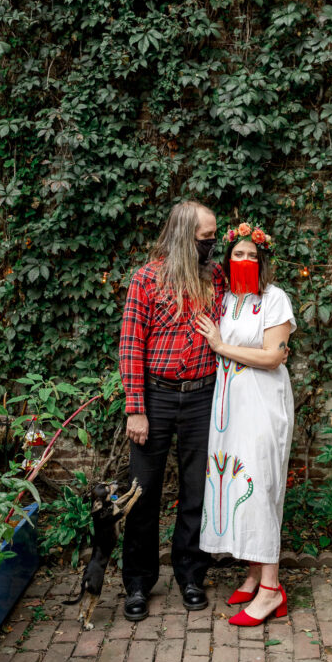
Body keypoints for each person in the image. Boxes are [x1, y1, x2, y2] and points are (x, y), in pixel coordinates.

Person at [119, 200, 224, 621]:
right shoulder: (145, 280)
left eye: (215, 236)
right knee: (141, 494)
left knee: (197, 491)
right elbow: (130, 345)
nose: (212, 245)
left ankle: (191, 574)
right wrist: (135, 409)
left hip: (203, 397)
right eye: (205, 238)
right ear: (184, 237)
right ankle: (138, 583)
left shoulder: (215, 277)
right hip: (156, 398)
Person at [194, 222, 296, 626]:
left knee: (259, 487)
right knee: (235, 482)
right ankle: (254, 573)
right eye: (238, 255)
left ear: (262, 260)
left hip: (263, 403)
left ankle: (271, 589)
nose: (245, 260)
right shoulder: (225, 299)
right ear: (227, 260)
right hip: (229, 407)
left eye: (252, 256)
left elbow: (274, 356)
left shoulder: (274, 299)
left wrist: (220, 346)